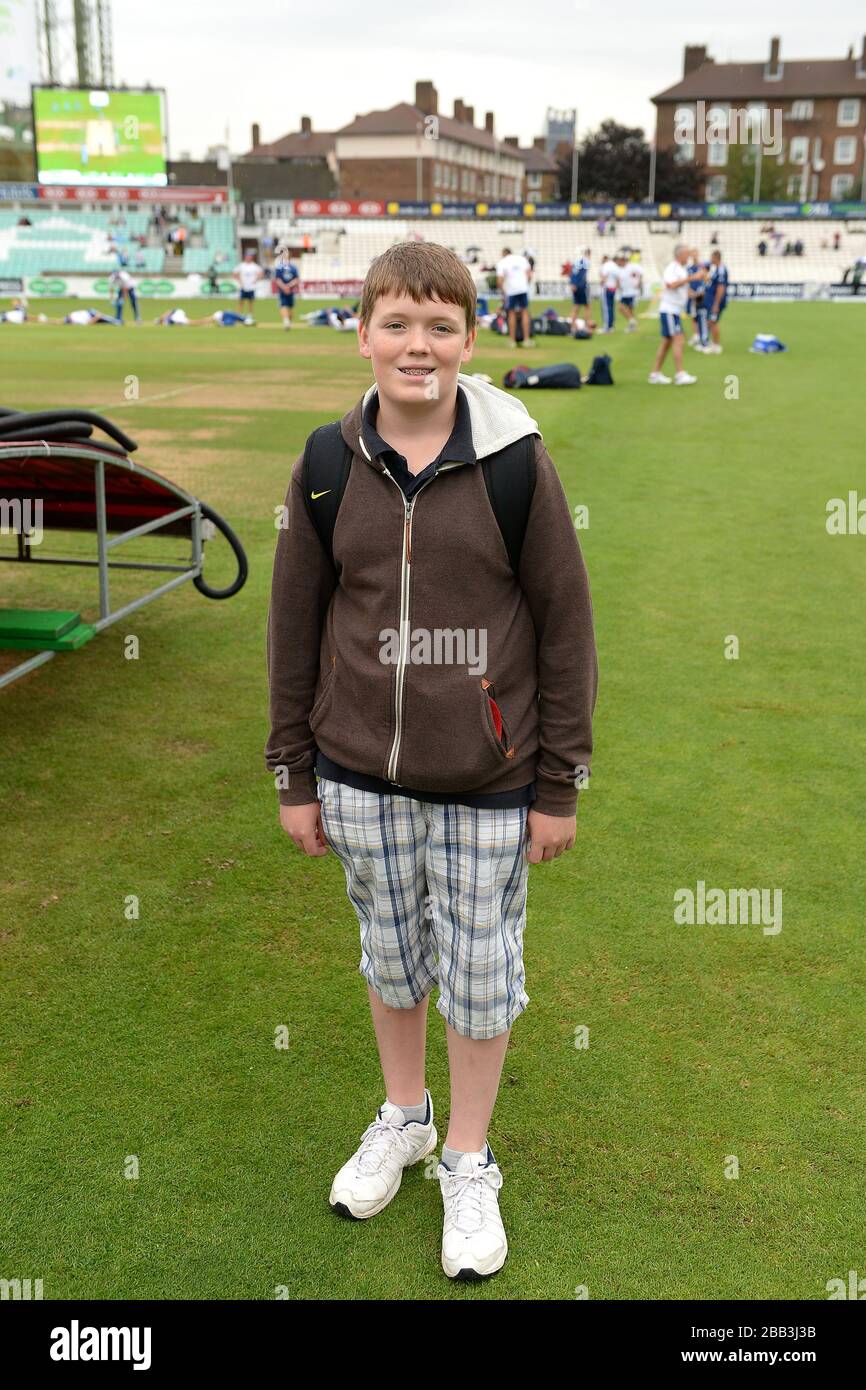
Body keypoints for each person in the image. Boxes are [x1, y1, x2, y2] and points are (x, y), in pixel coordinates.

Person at [265, 240, 598, 1282]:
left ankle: (467, 1155)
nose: (418, 345)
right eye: (397, 324)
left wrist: (558, 782)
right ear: (361, 333)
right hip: (357, 772)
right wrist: (293, 768)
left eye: (440, 326)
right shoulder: (324, 465)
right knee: (393, 958)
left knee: (482, 971)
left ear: (469, 338)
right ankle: (404, 1117)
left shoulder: (515, 464)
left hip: (490, 781)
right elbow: (292, 622)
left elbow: (564, 626)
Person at [648, 243, 697, 385]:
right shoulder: (672, 268)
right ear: (680, 254)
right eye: (687, 253)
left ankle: (655, 373)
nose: (688, 256)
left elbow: (681, 288)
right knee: (679, 339)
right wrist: (691, 278)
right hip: (670, 310)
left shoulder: (681, 269)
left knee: (667, 342)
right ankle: (680, 374)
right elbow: (671, 285)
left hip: (674, 310)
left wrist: (694, 294)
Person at [495, 246, 535, 348]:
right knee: (525, 312)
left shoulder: (502, 262)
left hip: (511, 291)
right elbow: (529, 275)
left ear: (504, 253)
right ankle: (526, 339)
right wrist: (525, 284)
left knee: (511, 313)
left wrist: (503, 293)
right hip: (523, 289)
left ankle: (512, 340)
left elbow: (500, 280)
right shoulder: (522, 259)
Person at [704, 249, 728, 352]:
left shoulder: (721, 270)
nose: (710, 259)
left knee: (713, 322)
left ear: (716, 258)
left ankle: (716, 346)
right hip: (711, 302)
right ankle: (712, 343)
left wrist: (716, 304)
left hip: (715, 302)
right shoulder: (716, 269)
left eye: (712, 257)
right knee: (710, 321)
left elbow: (721, 287)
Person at [685, 248, 709, 351]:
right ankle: (696, 335)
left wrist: (702, 291)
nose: (694, 256)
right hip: (692, 295)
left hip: (701, 296)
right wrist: (690, 292)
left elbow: (707, 279)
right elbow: (686, 281)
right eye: (692, 254)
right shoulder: (689, 268)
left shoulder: (702, 267)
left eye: (696, 254)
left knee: (702, 316)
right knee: (693, 316)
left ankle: (703, 337)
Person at [273, 247, 301, 330]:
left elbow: (296, 279)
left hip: (290, 290)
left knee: (289, 306)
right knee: (283, 305)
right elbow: (277, 279)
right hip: (284, 290)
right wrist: (285, 287)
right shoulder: (280, 267)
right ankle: (286, 321)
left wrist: (287, 286)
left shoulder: (293, 267)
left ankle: (288, 321)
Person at [233, 249, 264, 319]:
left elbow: (261, 274)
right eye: (247, 256)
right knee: (241, 302)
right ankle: (238, 315)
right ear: (245, 257)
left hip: (251, 287)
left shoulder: (255, 266)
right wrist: (239, 280)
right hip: (243, 287)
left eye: (250, 256)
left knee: (251, 303)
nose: (248, 258)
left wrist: (256, 280)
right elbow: (234, 273)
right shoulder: (241, 265)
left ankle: (250, 316)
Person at [616, 252, 642, 332]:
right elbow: (619, 280)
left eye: (620, 260)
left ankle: (632, 323)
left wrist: (638, 282)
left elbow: (640, 274)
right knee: (625, 309)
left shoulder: (631, 267)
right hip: (625, 292)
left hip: (632, 292)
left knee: (625, 309)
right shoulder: (621, 269)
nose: (619, 262)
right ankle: (632, 323)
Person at [568, 247, 591, 330]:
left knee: (576, 306)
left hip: (576, 286)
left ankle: (572, 326)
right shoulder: (585, 261)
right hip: (581, 286)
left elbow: (572, 273)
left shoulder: (577, 261)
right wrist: (577, 284)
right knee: (587, 306)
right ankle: (586, 325)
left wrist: (572, 283)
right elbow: (582, 275)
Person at [599, 252, 619, 333]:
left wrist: (602, 282)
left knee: (606, 308)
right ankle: (611, 325)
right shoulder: (615, 265)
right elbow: (618, 278)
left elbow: (604, 276)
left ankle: (607, 327)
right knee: (611, 307)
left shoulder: (606, 265)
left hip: (607, 288)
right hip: (613, 288)